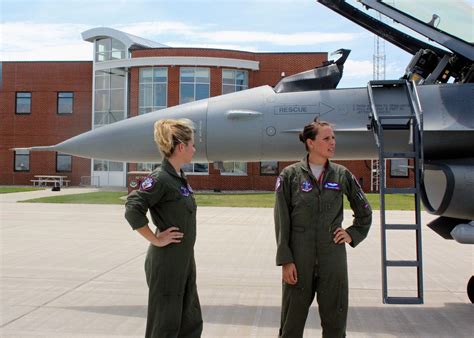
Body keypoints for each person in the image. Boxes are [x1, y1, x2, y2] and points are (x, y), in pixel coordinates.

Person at [274, 119, 372, 338]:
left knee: (335, 325)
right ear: (310, 143)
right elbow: (282, 221)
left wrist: (352, 233)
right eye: (326, 138)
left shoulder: (342, 175)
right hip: (299, 259)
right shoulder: (289, 176)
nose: (332, 143)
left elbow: (365, 210)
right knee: (291, 325)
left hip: (333, 259)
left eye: (333, 138)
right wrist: (286, 260)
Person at [125, 118, 203, 338]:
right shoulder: (160, 178)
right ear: (181, 147)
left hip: (185, 261)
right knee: (165, 326)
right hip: (167, 263)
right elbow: (133, 207)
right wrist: (155, 239)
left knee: (190, 322)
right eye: (192, 145)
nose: (194, 149)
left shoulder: (178, 178)